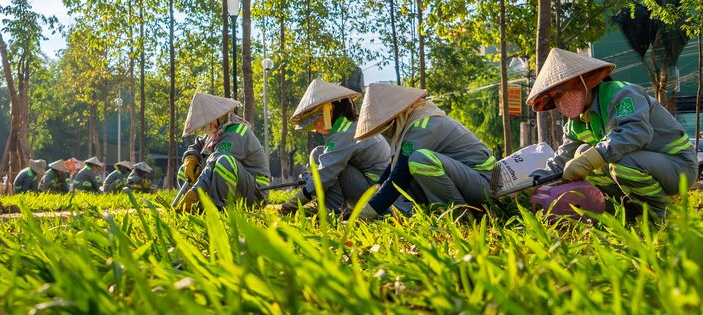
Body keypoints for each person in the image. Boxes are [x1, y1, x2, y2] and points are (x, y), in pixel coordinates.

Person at [526, 48, 697, 217]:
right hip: (643, 167)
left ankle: (663, 216)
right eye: (555, 96)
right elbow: (561, 161)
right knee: (581, 154)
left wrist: (588, 160)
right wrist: (531, 183)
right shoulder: (575, 124)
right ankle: (630, 213)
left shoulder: (622, 94)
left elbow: (635, 133)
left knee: (617, 163)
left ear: (585, 81)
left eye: (563, 91)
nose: (561, 99)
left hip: (677, 165)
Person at [355, 83, 496, 220]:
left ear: (395, 116)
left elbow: (399, 176)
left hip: (485, 183)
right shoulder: (414, 123)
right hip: (470, 180)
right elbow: (392, 170)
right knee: (411, 166)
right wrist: (366, 203)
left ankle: (459, 216)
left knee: (419, 160)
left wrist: (363, 215)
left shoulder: (422, 126)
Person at [280, 79, 392, 214]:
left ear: (328, 110)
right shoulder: (350, 125)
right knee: (321, 155)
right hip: (374, 189)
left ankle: (334, 213)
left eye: (315, 122)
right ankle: (333, 209)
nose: (315, 128)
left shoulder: (345, 133)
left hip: (374, 194)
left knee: (324, 164)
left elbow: (325, 176)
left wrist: (291, 205)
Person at [176, 93, 271, 210]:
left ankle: (219, 210)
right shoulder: (216, 132)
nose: (204, 129)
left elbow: (215, 161)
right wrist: (190, 158)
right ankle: (198, 208)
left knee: (224, 163)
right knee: (184, 171)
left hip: (255, 193)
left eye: (204, 124)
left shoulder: (236, 132)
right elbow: (197, 145)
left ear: (215, 118)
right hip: (236, 187)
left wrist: (194, 193)